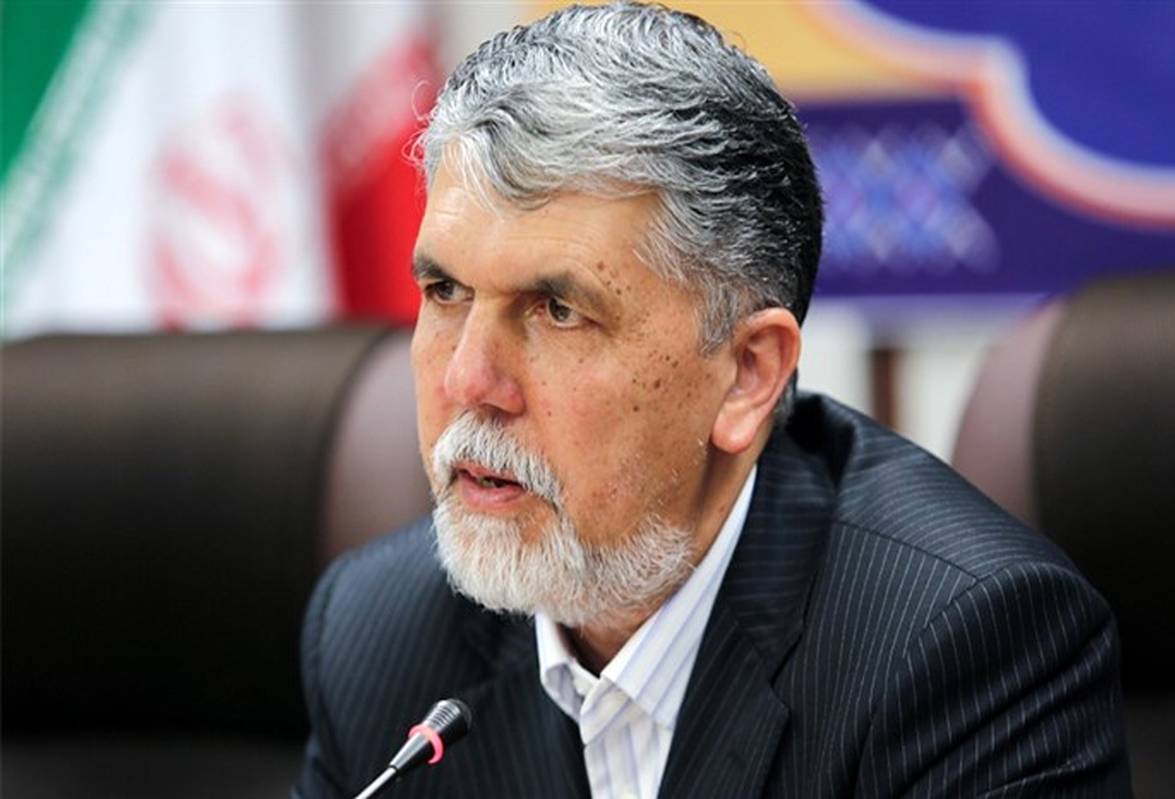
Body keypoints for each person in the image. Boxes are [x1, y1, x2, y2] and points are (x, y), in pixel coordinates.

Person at [294, 4, 1131, 797]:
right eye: (444, 291)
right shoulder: (378, 635)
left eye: (558, 310)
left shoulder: (962, 649)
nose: (467, 380)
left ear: (747, 374)